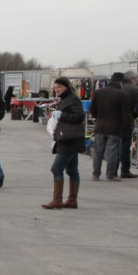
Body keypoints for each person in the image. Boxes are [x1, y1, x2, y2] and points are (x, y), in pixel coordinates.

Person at [42, 77, 87, 209]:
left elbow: (79, 116)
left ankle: (57, 200)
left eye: (59, 87)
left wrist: (61, 115)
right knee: (72, 170)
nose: (56, 90)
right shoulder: (66, 99)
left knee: (56, 168)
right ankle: (72, 200)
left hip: (69, 139)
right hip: (68, 138)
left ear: (66, 87)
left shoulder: (72, 99)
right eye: (55, 87)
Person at [89, 72, 130, 182]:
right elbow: (125, 114)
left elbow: (92, 110)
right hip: (115, 127)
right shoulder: (122, 94)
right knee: (112, 151)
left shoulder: (98, 92)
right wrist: (126, 128)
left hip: (100, 126)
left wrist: (99, 117)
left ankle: (96, 174)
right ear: (121, 81)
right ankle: (110, 175)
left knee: (98, 151)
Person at [116, 70, 138, 179]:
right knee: (126, 145)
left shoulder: (118, 87)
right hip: (128, 119)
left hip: (114, 120)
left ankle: (112, 170)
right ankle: (125, 170)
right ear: (133, 79)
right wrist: (134, 115)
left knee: (114, 145)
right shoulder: (135, 89)